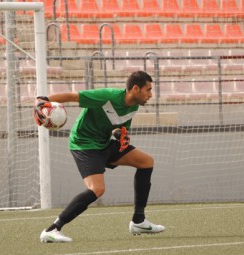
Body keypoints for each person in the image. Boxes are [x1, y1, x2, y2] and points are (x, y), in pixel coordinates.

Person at [34, 71, 165, 243]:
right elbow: (73, 97)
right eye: (148, 90)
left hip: (103, 143)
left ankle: (138, 221)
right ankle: (52, 230)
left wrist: (120, 135)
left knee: (146, 162)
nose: (150, 94)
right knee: (97, 189)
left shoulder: (134, 105)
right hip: (84, 144)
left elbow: (116, 127)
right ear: (135, 89)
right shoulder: (106, 96)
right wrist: (43, 100)